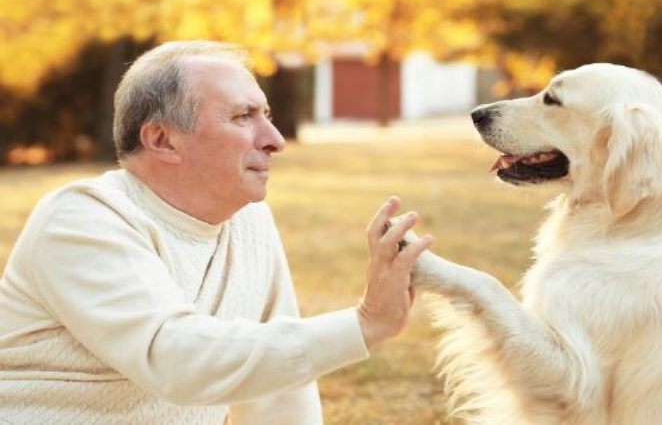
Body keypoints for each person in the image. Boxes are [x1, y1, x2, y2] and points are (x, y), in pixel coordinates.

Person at [0, 40, 433, 424]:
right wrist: (364, 323)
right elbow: (176, 358)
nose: (275, 139)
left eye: (267, 114)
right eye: (243, 116)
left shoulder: (248, 220)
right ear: (163, 140)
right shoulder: (82, 219)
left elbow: (276, 392)